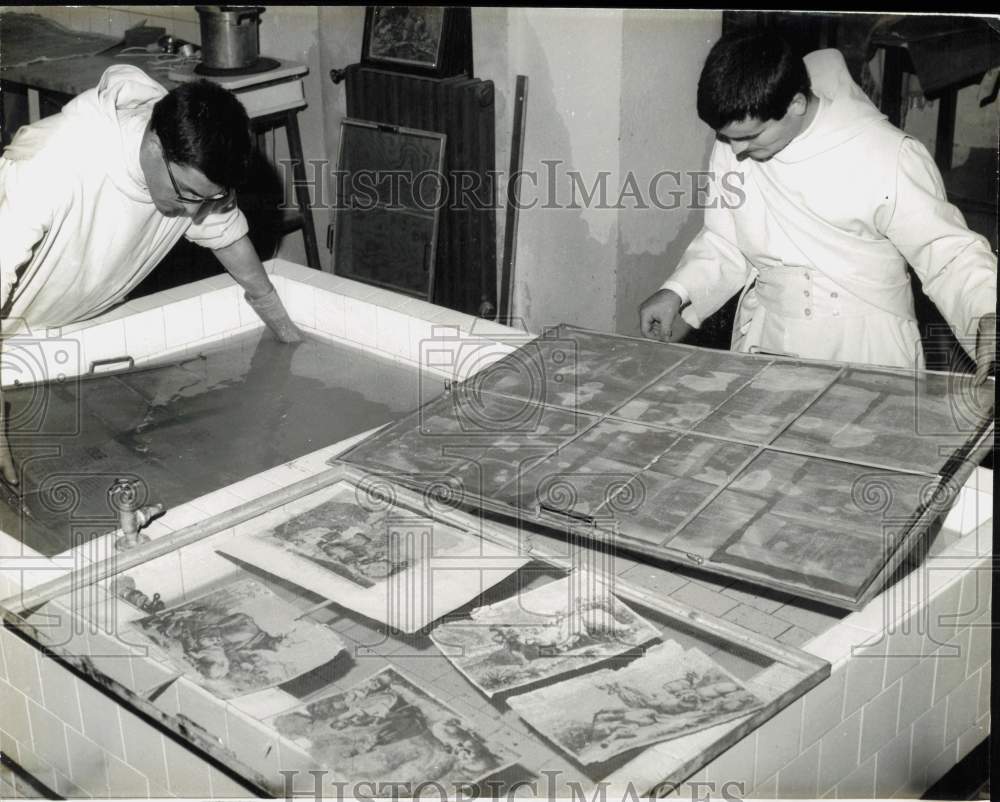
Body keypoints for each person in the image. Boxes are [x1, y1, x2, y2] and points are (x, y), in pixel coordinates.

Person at [0, 64, 302, 485]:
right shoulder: (51, 163)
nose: (194, 214)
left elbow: (227, 236)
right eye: (189, 196)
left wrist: (285, 330)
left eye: (210, 199)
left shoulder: (188, 153)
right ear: (155, 147)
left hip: (73, 328)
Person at [639, 31, 997, 384]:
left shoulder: (886, 153)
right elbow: (725, 239)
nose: (736, 152)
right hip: (768, 337)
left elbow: (946, 252)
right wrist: (678, 290)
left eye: (749, 137)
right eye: (728, 138)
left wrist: (987, 309)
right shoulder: (737, 142)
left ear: (795, 105)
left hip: (865, 345)